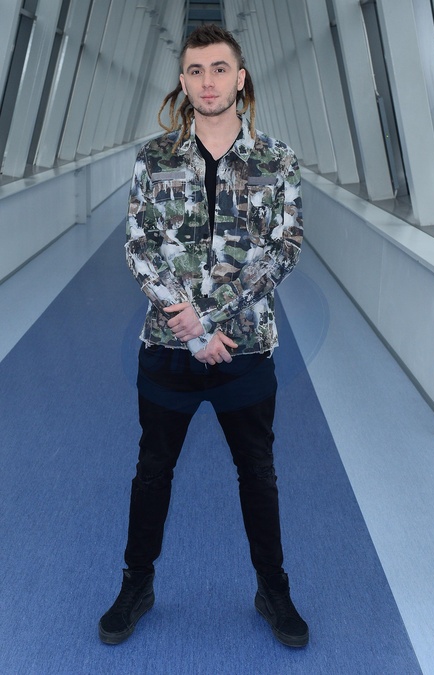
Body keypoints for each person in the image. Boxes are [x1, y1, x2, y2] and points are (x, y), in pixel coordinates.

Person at [98, 23, 308, 649]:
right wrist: (184, 322)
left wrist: (207, 320)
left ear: (240, 79)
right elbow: (137, 245)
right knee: (152, 471)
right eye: (195, 70)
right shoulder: (154, 158)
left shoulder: (277, 160)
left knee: (258, 473)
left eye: (219, 69)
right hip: (168, 350)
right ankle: (136, 584)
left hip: (246, 349)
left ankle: (273, 590)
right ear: (183, 81)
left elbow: (284, 248)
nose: (207, 81)